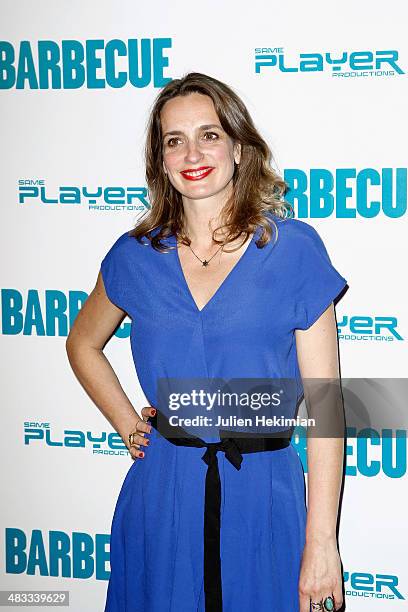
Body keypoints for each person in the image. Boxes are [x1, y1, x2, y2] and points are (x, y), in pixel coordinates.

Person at [66, 72, 348, 612]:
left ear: (239, 148)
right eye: (174, 140)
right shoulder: (134, 256)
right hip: (163, 497)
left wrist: (321, 543)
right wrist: (128, 423)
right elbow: (82, 344)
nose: (192, 152)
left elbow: (327, 410)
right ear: (161, 160)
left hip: (265, 496)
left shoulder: (293, 250)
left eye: (209, 134)